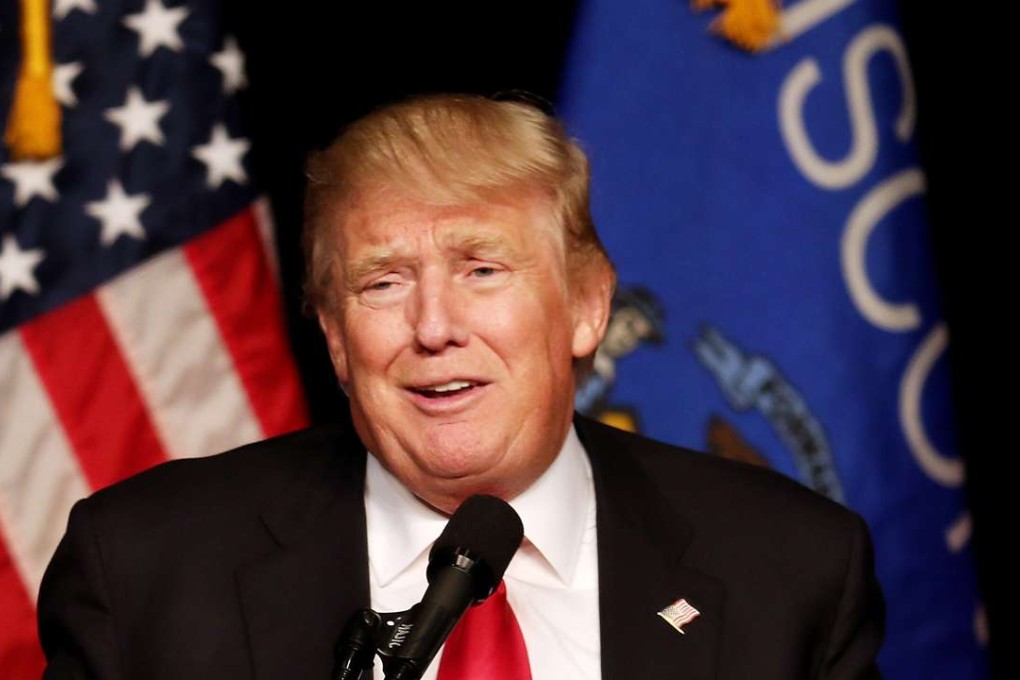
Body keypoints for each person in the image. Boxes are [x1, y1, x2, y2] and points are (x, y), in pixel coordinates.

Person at [38, 94, 885, 679]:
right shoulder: (147, 572)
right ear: (334, 336)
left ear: (588, 307)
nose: (434, 326)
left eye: (482, 269)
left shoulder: (791, 570)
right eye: (382, 283)